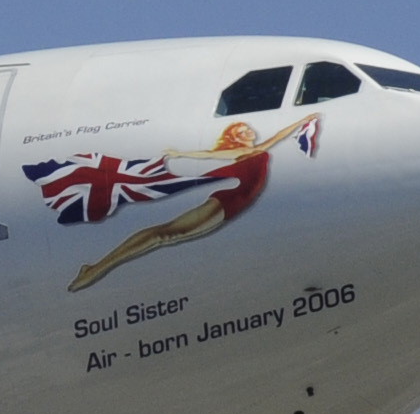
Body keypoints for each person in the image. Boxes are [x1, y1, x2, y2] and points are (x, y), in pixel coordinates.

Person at [67, 114, 319, 292]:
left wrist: (303, 120)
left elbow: (279, 135)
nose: (249, 132)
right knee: (163, 235)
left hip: (232, 206)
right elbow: (209, 154)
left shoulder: (258, 149)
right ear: (235, 137)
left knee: (164, 234)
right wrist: (180, 154)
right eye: (242, 131)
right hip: (225, 203)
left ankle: (94, 269)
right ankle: (95, 269)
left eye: (248, 129)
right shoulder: (237, 152)